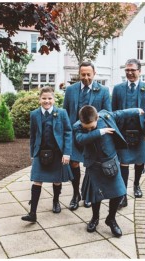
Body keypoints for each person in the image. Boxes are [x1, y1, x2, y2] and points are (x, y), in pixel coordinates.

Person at [73, 105, 144, 237]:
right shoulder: (77, 126)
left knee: (119, 193)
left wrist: (136, 111)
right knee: (95, 196)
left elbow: (121, 113)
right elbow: (80, 139)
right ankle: (95, 218)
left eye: (92, 127)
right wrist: (100, 131)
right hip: (94, 165)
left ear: (97, 117)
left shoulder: (105, 116)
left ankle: (111, 219)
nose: (88, 129)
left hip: (111, 162)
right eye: (86, 127)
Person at [63, 61, 112, 210]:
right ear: (79, 74)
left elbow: (107, 113)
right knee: (74, 164)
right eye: (82, 74)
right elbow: (65, 112)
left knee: (90, 166)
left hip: (93, 135)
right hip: (75, 134)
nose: (85, 77)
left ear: (94, 74)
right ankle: (75, 194)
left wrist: (97, 127)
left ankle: (87, 193)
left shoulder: (103, 90)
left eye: (88, 74)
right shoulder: (70, 90)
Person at [112, 59, 145, 208]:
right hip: (123, 132)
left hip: (141, 132)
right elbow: (113, 112)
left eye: (132, 70)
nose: (130, 73)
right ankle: (123, 194)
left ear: (139, 71)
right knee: (123, 162)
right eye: (127, 70)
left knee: (140, 161)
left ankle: (137, 185)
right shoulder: (118, 89)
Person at [22, 87, 72, 223]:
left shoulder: (61, 113)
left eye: (49, 98)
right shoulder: (34, 114)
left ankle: (56, 201)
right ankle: (32, 213)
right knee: (37, 180)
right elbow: (32, 135)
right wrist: (32, 153)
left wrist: (67, 153)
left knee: (56, 180)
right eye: (44, 98)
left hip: (57, 152)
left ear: (54, 99)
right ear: (39, 99)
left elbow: (68, 132)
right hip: (40, 152)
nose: (47, 101)